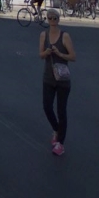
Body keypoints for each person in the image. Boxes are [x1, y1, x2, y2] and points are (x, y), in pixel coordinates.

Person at [39, 9, 75, 155]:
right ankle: (56, 129)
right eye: (50, 18)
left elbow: (73, 57)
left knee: (61, 111)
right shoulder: (44, 35)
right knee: (47, 107)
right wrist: (46, 53)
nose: (52, 20)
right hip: (48, 77)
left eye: (55, 18)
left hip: (62, 79)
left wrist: (60, 53)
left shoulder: (65, 36)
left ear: (58, 20)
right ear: (47, 20)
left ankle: (60, 142)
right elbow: (40, 54)